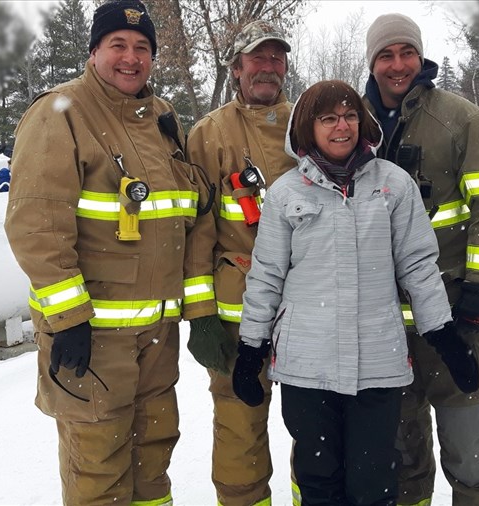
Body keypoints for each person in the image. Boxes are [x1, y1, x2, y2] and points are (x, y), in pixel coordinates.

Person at [232, 79, 478, 506]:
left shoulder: (394, 185)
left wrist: (443, 334)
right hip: (306, 367)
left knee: (374, 482)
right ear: (308, 128)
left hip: (377, 364)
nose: (340, 126)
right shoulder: (286, 193)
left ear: (362, 124)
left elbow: (418, 266)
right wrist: (251, 346)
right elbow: (267, 275)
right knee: (319, 480)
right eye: (327, 118)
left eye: (348, 116)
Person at [3, 2, 209, 504]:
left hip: (157, 333)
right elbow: (36, 225)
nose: (131, 58)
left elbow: (184, 208)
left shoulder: (160, 116)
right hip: (93, 338)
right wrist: (70, 317)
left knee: (154, 457)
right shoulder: (62, 113)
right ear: (94, 50)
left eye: (142, 48)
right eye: (118, 44)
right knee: (98, 469)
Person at [363, 13, 479, 506]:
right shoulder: (355, 126)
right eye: (386, 55)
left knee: (476, 456)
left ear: (420, 56)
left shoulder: (461, 119)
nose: (398, 65)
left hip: (455, 321)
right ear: (371, 63)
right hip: (385, 333)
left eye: (407, 52)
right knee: (400, 464)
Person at [183, 19, 295, 506]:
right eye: (257, 57)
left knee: (317, 425)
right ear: (236, 67)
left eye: (276, 58)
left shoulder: (309, 124)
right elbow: (195, 233)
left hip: (308, 310)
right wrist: (201, 314)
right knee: (238, 431)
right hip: (237, 313)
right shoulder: (210, 135)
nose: (267, 67)